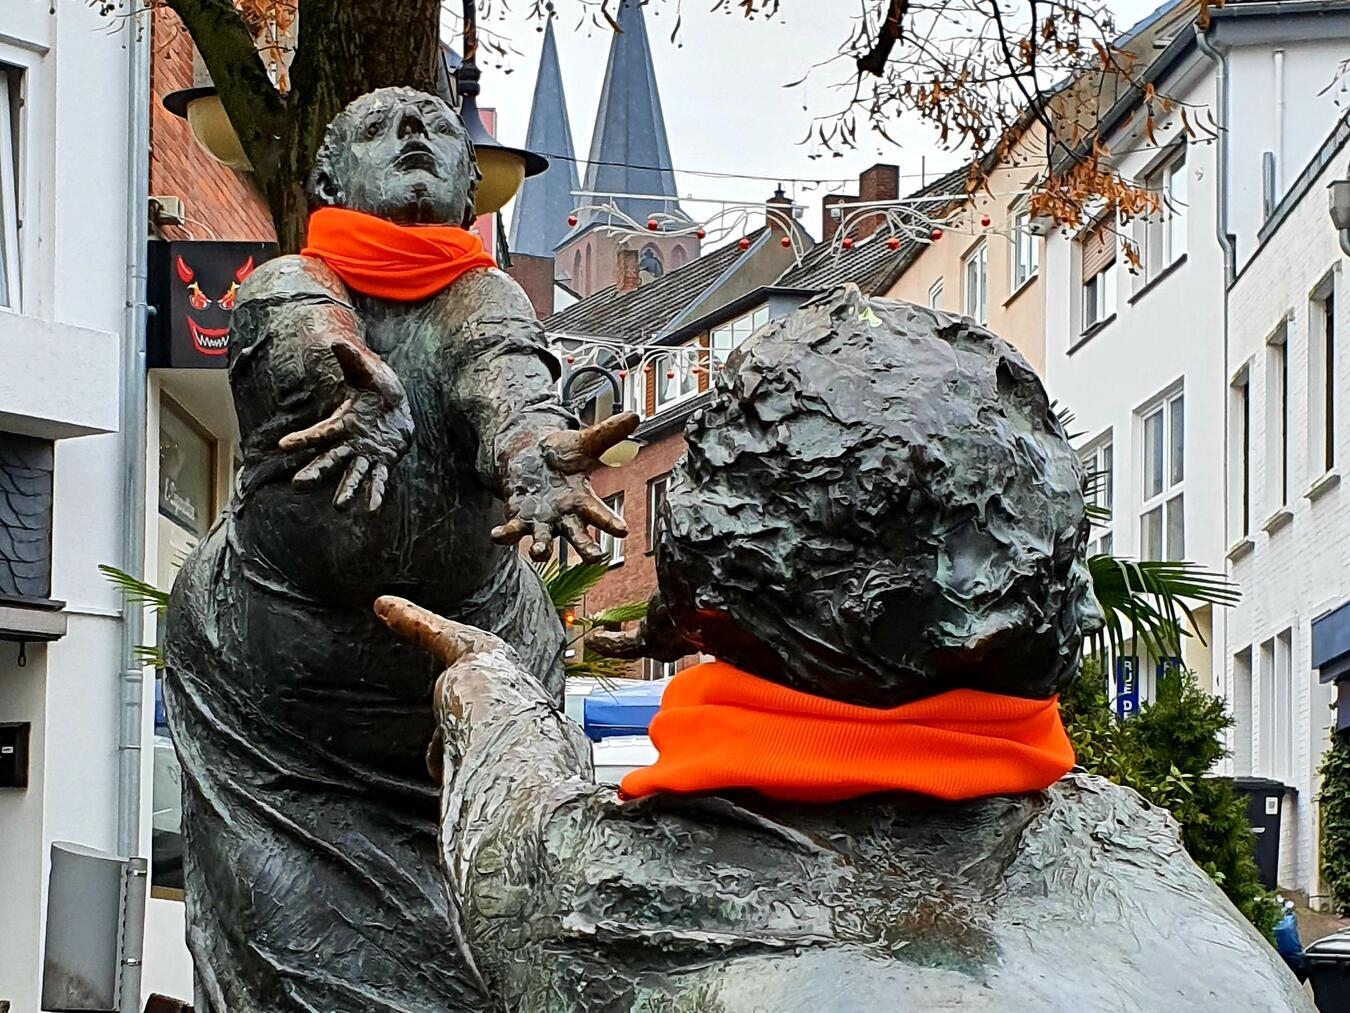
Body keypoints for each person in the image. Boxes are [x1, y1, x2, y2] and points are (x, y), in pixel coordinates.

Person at [378, 285, 1313, 1012]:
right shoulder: (1135, 846)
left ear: (711, 576)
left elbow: (514, 851)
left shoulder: (628, 895)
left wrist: (485, 687)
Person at [165, 88, 632, 1013]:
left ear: (470, 188)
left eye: (439, 131)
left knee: (481, 957)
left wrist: (536, 458)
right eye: (380, 128)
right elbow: (298, 335)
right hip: (278, 721)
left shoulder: (483, 294)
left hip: (458, 704)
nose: (414, 134)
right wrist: (353, 387)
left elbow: (504, 376)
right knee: (284, 950)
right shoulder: (286, 281)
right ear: (331, 178)